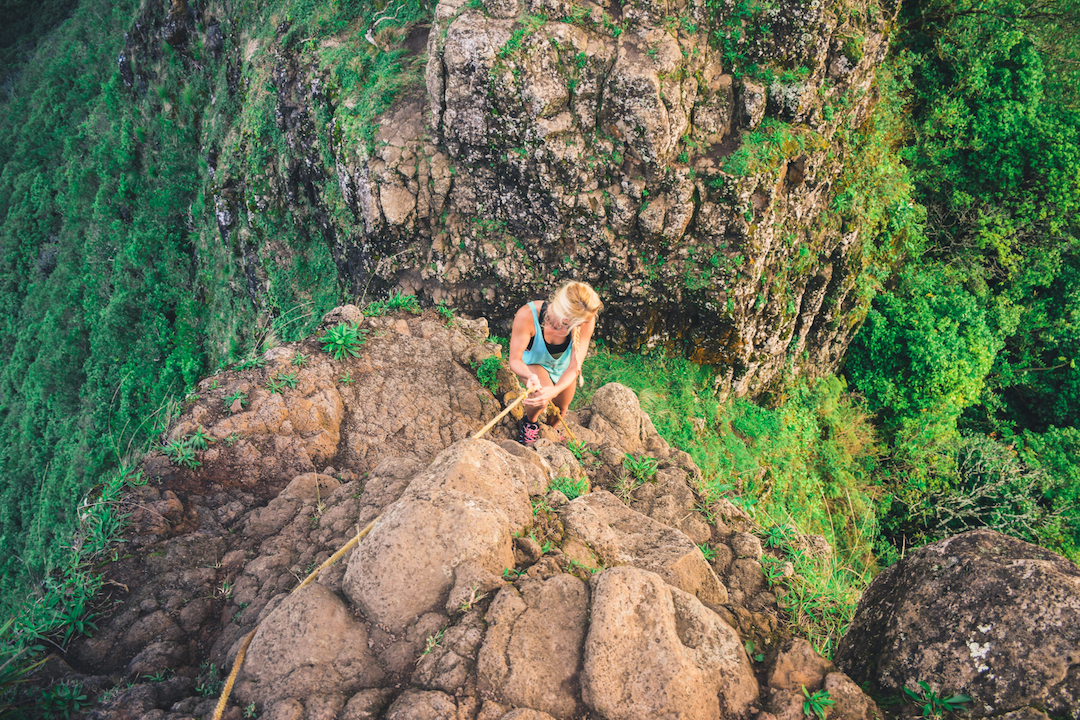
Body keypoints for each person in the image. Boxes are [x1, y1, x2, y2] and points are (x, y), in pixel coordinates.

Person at [508, 280, 602, 445]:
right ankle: (530, 423)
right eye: (567, 324)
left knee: (561, 407)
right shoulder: (527, 315)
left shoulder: (586, 319)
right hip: (534, 364)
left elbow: (574, 367)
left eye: (577, 325)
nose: (567, 330)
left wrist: (557, 389)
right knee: (541, 398)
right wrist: (529, 376)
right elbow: (514, 360)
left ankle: (549, 429)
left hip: (563, 368)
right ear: (558, 308)